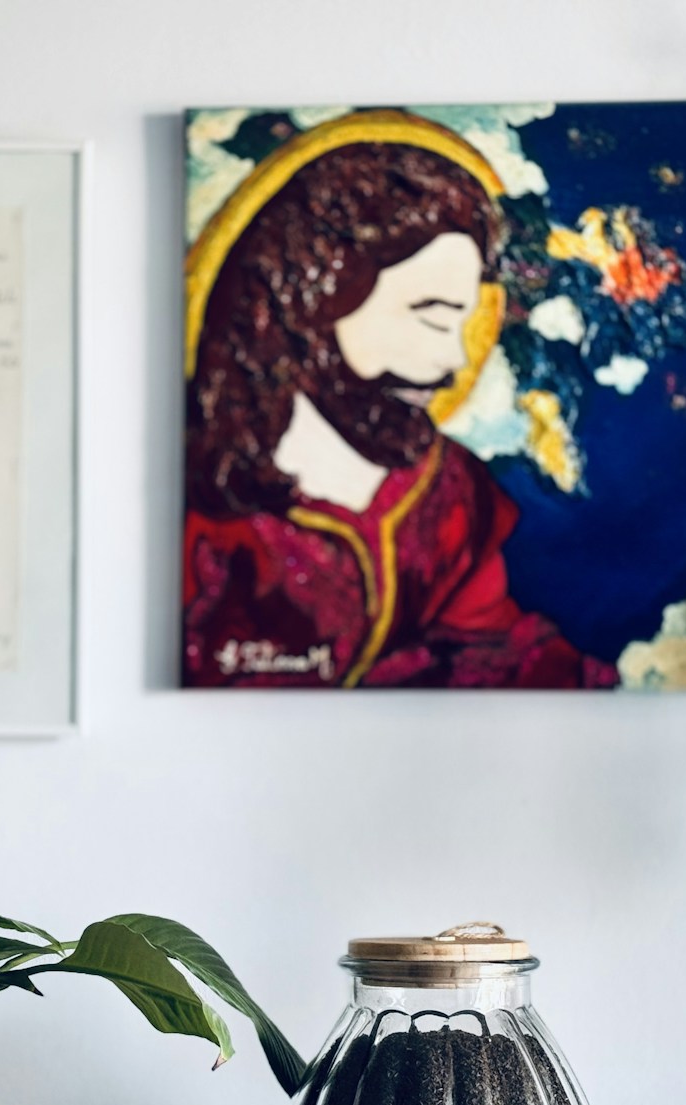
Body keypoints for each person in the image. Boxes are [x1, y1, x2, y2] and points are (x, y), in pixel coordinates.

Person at [183, 134, 617, 689]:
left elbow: (491, 644)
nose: (455, 359)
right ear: (312, 298)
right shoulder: (203, 514)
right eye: (432, 317)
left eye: (462, 324)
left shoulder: (446, 492)